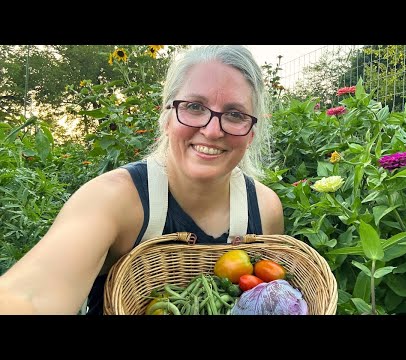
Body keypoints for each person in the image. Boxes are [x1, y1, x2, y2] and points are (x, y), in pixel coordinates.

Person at [0, 45, 284, 315]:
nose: (211, 131)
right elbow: (32, 296)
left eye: (235, 114)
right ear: (168, 114)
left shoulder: (264, 209)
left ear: (252, 132)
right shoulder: (113, 200)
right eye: (195, 107)